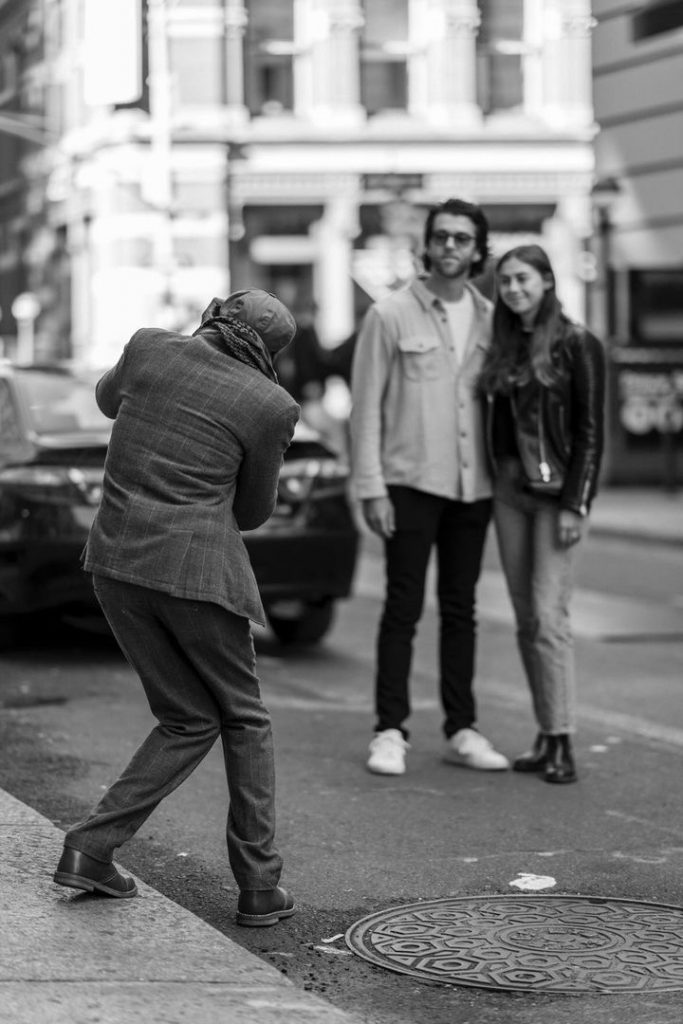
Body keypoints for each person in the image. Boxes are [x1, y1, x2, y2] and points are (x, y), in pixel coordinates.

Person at [53, 289, 301, 927]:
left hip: (115, 564)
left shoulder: (147, 347)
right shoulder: (269, 404)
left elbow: (108, 401)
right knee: (244, 719)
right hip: (195, 572)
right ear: (267, 355)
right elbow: (250, 513)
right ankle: (258, 887)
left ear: (216, 319)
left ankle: (90, 849)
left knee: (188, 718)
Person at [349, 198, 509, 776]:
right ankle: (389, 730)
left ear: (477, 249)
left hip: (476, 487)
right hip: (409, 482)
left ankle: (462, 727)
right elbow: (364, 409)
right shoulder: (389, 315)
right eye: (442, 237)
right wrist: (371, 487)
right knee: (402, 607)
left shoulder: (495, 319)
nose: (450, 247)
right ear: (428, 244)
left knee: (462, 609)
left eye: (462, 239)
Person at [479, 244, 606, 784]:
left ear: (548, 281)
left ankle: (562, 741)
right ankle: (543, 731)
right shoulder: (503, 344)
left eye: (523, 278)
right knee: (526, 618)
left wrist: (578, 501)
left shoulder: (578, 343)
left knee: (550, 618)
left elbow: (590, 431)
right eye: (505, 280)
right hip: (510, 491)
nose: (513, 288)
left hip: (556, 497)